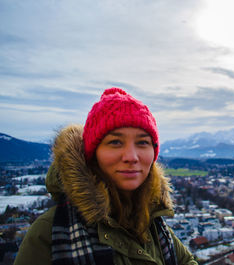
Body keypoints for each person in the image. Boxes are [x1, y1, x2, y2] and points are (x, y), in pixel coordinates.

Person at [14, 87, 198, 265]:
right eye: (115, 142)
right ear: (93, 154)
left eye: (142, 142)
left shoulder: (151, 221)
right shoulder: (49, 234)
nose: (131, 157)